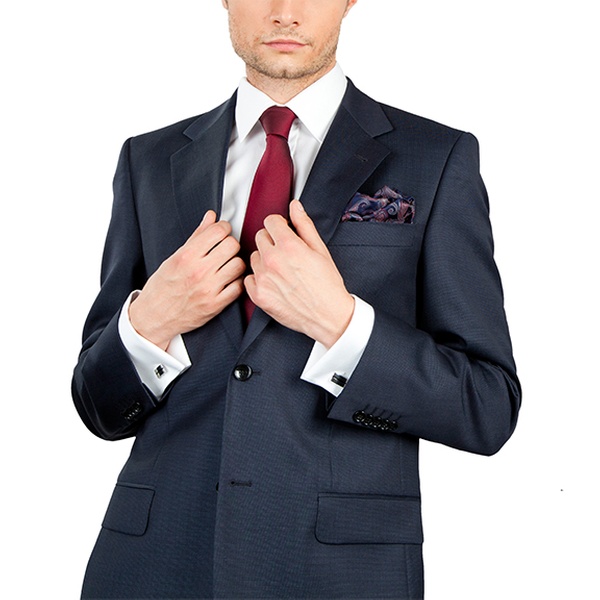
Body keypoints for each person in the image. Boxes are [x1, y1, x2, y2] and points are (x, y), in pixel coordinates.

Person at [72, 1, 521, 598]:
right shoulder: (147, 159)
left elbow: (488, 406)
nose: (285, 12)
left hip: (340, 575)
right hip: (154, 566)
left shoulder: (437, 157)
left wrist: (342, 327)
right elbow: (97, 406)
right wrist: (148, 324)